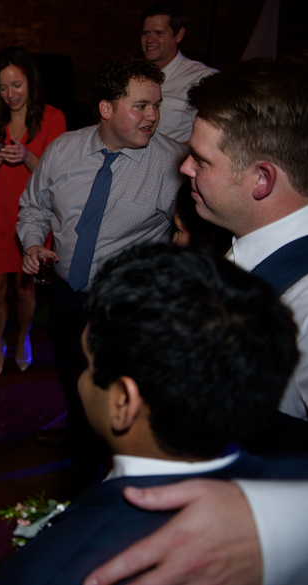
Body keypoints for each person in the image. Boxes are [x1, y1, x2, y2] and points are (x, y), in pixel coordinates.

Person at [85, 57, 308, 585]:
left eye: (201, 160)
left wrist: (273, 522)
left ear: (261, 179)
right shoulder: (239, 257)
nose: (184, 169)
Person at [0, 245, 308, 584]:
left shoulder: (53, 569)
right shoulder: (289, 485)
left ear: (124, 402)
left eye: (88, 364)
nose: (81, 380)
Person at [18, 57, 187, 479]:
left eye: (156, 105)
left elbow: (194, 240)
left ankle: (121, 475)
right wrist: (34, 243)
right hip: (66, 299)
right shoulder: (63, 150)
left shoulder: (173, 167)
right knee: (76, 383)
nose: (153, 117)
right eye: (141, 106)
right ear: (106, 109)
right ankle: (82, 459)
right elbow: (34, 207)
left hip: (128, 310)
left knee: (125, 396)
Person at [0, 47, 67, 379]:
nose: (10, 94)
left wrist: (28, 156)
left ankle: (22, 338)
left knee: (25, 287)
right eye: (3, 87)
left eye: (16, 84)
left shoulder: (53, 118)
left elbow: (58, 176)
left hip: (33, 217)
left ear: (30, 80)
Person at [140, 1, 217, 142]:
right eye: (146, 33)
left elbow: (210, 138)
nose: (150, 40)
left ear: (179, 35)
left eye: (159, 33)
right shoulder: (134, 75)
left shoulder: (202, 78)